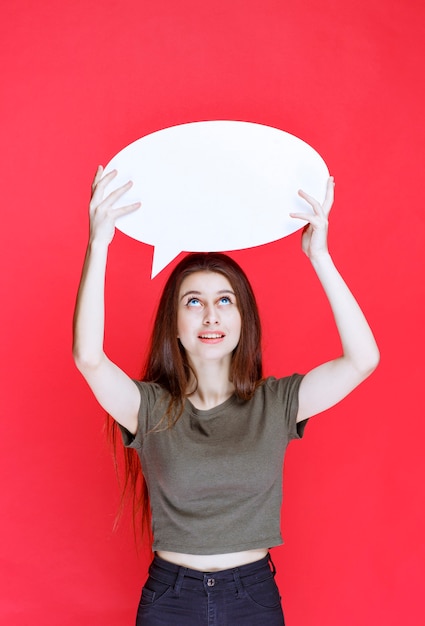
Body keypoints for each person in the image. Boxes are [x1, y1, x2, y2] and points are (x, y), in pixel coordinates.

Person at [73, 166, 379, 626]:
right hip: (170, 600)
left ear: (243, 318)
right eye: (193, 301)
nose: (211, 315)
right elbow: (88, 358)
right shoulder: (150, 408)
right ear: (175, 325)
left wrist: (320, 255)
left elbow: (362, 360)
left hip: (252, 598)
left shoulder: (275, 404)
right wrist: (98, 245)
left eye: (225, 300)